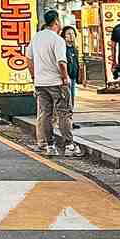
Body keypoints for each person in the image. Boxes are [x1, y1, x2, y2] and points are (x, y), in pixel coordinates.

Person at [28, 8, 76, 156]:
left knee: (45, 114)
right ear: (56, 22)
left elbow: (28, 59)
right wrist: (65, 78)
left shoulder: (36, 37)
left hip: (40, 83)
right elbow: (62, 62)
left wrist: (34, 77)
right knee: (64, 113)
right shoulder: (57, 40)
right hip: (56, 82)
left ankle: (50, 146)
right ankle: (69, 145)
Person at [62, 25, 82, 90]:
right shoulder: (62, 49)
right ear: (64, 36)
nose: (71, 35)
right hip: (66, 78)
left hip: (73, 77)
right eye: (69, 34)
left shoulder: (75, 49)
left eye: (73, 33)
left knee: (72, 98)